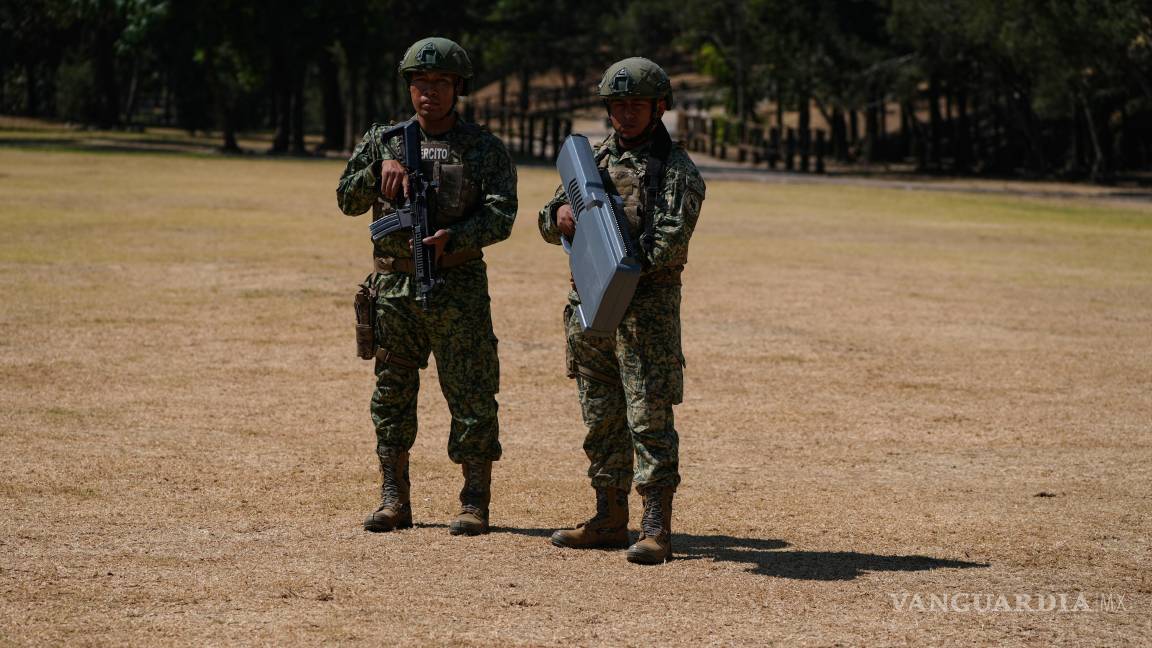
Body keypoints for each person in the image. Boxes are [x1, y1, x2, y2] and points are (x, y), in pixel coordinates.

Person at [336, 37, 517, 536]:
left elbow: (502, 216)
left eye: (440, 83)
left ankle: (474, 500)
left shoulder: (483, 149)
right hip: (393, 290)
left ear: (458, 87)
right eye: (420, 82)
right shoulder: (382, 141)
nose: (429, 93)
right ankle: (394, 498)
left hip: (458, 285)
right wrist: (377, 172)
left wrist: (454, 236)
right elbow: (347, 202)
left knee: (472, 392)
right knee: (392, 392)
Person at [538, 58, 705, 564]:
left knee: (649, 418)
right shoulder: (592, 161)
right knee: (600, 416)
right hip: (589, 314)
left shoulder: (677, 172)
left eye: (636, 105)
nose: (625, 114)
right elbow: (547, 221)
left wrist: (611, 257)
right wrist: (561, 216)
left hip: (645, 317)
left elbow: (668, 247)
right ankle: (609, 517)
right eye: (617, 104)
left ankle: (656, 527)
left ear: (659, 108)